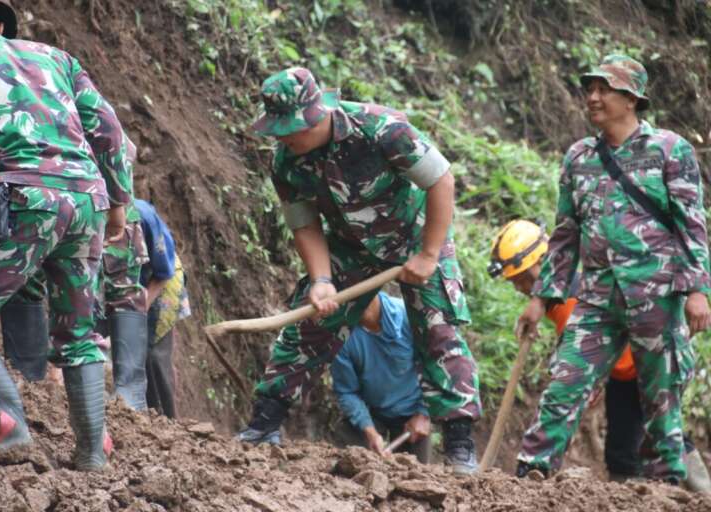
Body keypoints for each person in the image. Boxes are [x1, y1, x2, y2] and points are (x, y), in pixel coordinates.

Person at [237, 67, 480, 474]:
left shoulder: (382, 130)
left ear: (317, 114)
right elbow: (305, 224)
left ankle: (459, 443)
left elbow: (440, 180)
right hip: (352, 246)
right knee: (310, 322)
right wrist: (321, 279)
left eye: (290, 128)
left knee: (438, 328)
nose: (283, 137)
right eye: (277, 129)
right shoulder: (286, 163)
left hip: (415, 234)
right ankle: (264, 423)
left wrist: (429, 254)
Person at [0, 0, 132, 471]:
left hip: (23, 200)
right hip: (88, 201)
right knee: (80, 334)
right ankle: (92, 451)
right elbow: (108, 130)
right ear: (1, 24)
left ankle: (3, 423)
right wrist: (119, 203)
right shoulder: (59, 60)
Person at [513, 55, 711, 484]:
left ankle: (669, 485)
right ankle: (532, 472)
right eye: (590, 89)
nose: (593, 97)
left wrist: (697, 290)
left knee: (661, 399)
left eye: (605, 89)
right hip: (597, 296)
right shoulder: (579, 157)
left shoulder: (670, 150)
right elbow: (565, 235)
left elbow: (691, 225)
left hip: (657, 296)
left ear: (632, 99)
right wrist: (539, 298)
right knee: (565, 381)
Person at [491, 219, 711, 491]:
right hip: (622, 375)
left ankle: (700, 494)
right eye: (516, 282)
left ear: (544, 260)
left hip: (644, 368)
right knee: (621, 453)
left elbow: (584, 351)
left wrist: (590, 382)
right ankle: (632, 500)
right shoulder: (554, 296)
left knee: (662, 436)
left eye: (524, 279)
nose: (521, 288)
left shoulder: (571, 297)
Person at [0, 138, 150, 414]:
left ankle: (127, 393)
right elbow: (121, 145)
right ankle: (29, 382)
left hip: (50, 193)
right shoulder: (83, 103)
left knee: (26, 274)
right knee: (120, 288)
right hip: (89, 193)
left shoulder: (48, 102)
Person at [331, 292, 431, 463]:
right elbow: (346, 391)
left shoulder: (408, 316)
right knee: (351, 466)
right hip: (371, 412)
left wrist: (424, 414)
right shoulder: (341, 335)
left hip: (413, 414)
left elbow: (438, 366)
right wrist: (369, 431)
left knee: (415, 477)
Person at [134, 199, 190, 418]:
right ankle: (143, 414)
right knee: (135, 352)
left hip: (162, 278)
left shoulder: (143, 216)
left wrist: (141, 307)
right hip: (131, 281)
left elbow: (164, 272)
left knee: (155, 355)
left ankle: (168, 421)